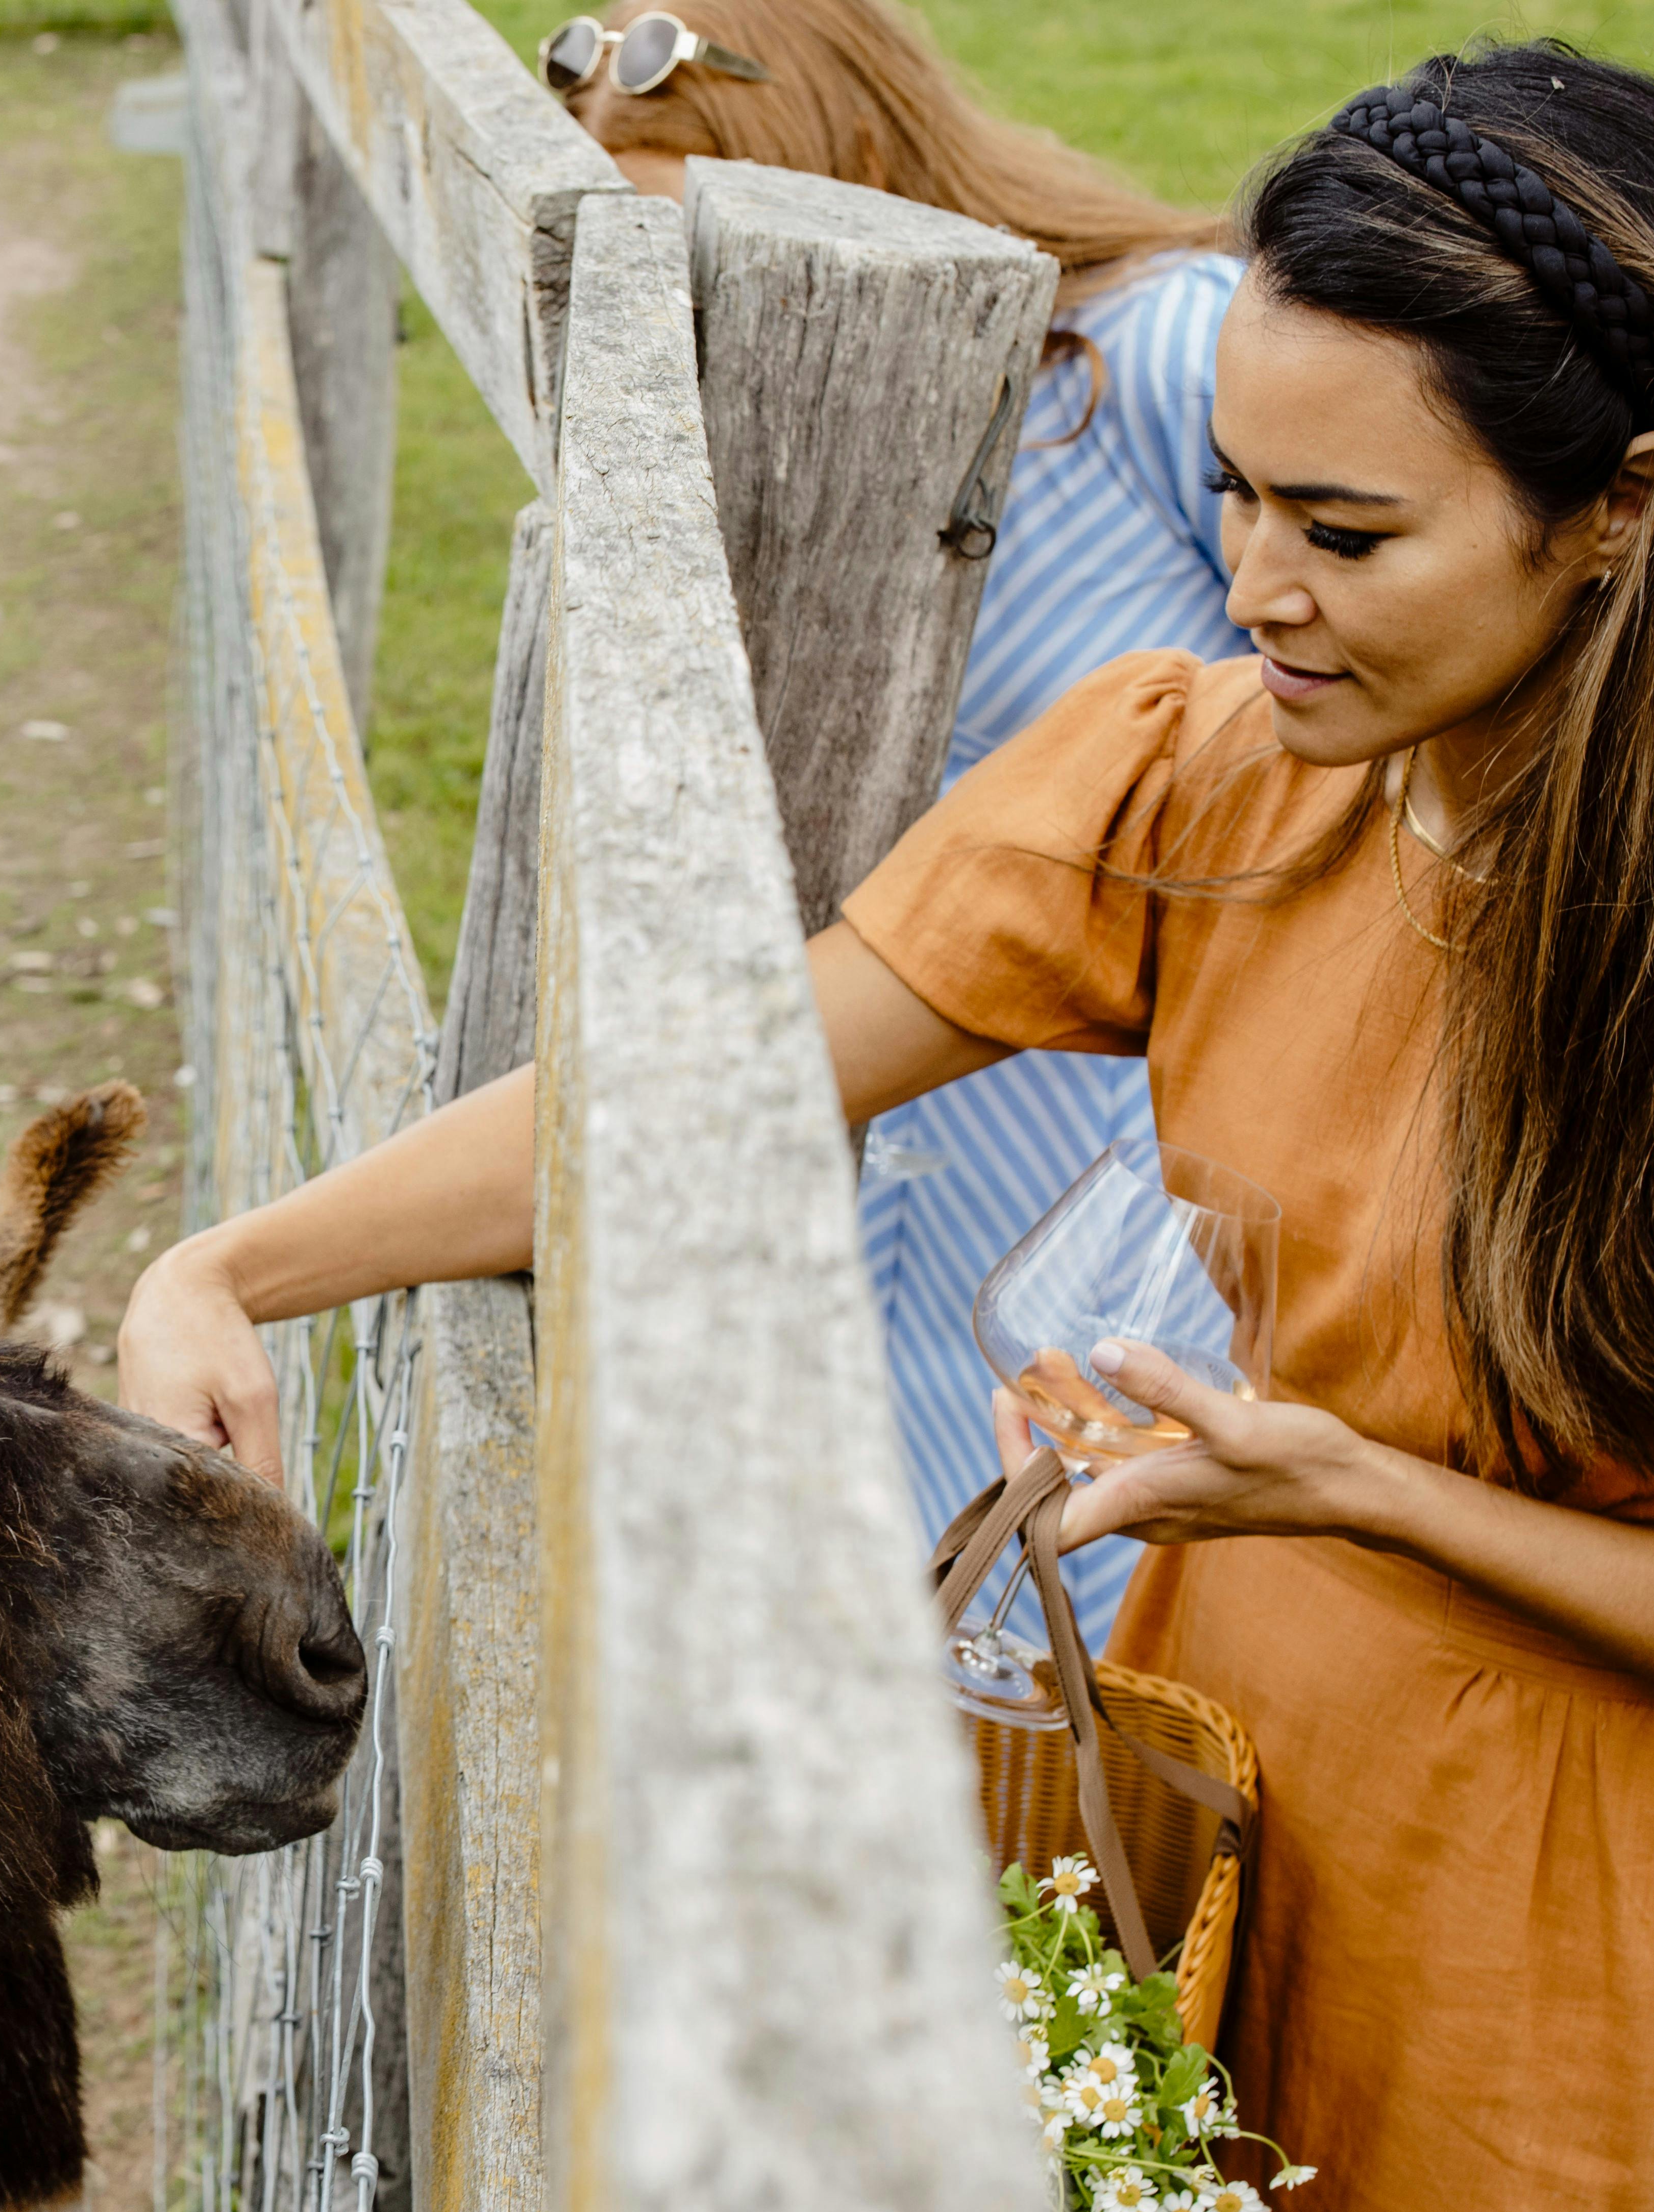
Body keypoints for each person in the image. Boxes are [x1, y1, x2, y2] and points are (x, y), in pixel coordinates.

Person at [122, 41, 1654, 2212]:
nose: (1249, 583)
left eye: (1345, 527)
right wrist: (233, 1262)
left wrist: (1370, 1494)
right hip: (1175, 1787)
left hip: (1532, 1907)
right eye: (1237, 495)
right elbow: (714, 1075)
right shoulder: (1229, 770)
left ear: (1628, 510)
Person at [539, 0, 1255, 1645]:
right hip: (889, 1161)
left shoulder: (1155, 361)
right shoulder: (740, 436)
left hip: (1149, 1185)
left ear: (826, 151)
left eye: (680, 218)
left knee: (1151, 1653)